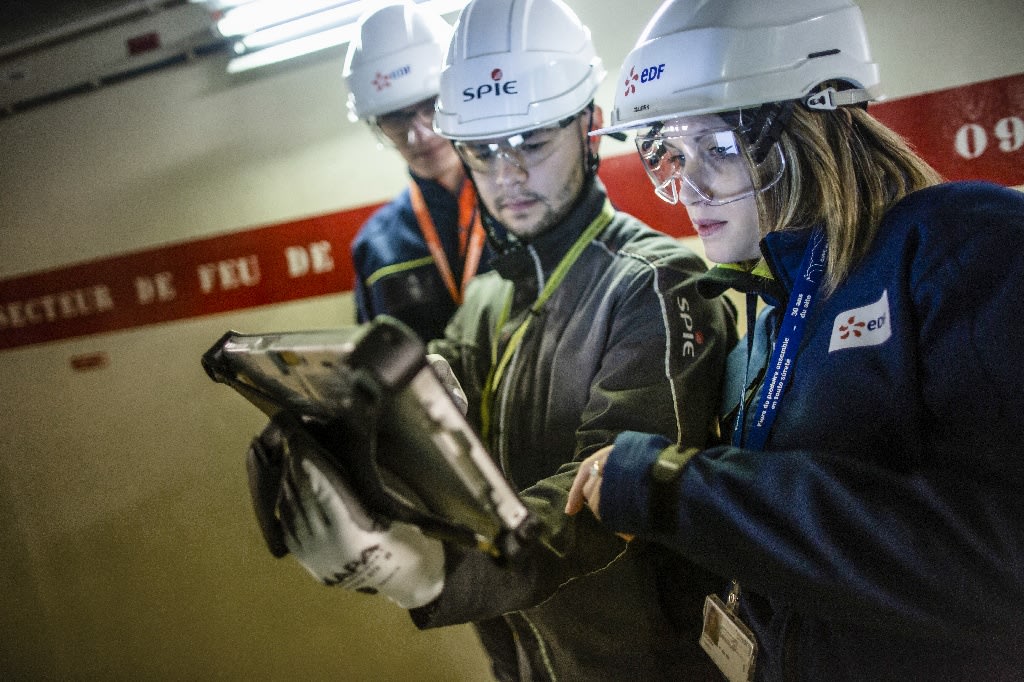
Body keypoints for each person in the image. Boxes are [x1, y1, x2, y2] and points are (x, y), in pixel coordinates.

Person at [246, 0, 738, 679]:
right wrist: (342, 432)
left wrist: (437, 577)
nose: (506, 176)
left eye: (531, 144)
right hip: (533, 658)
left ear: (589, 126)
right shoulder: (490, 295)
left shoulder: (656, 283)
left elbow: (613, 494)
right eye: (481, 151)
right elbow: (438, 391)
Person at [567, 0, 1024, 680]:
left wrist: (678, 492)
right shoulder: (778, 305)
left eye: (718, 147)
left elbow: (997, 559)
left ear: (811, 122)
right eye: (668, 152)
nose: (688, 185)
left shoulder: (962, 242)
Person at [345, 2, 494, 342]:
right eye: (396, 118)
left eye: (431, 107)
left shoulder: (523, 205)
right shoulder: (375, 246)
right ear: (376, 123)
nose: (419, 135)